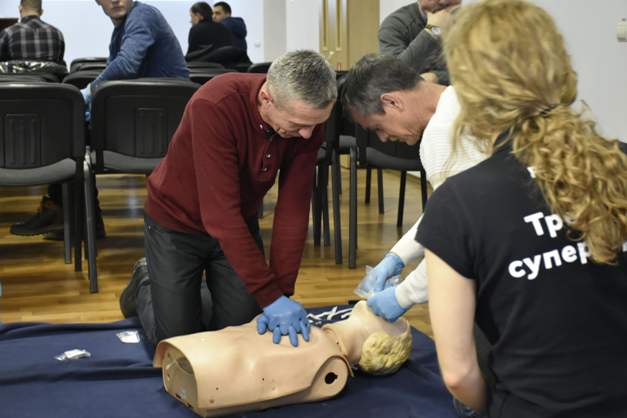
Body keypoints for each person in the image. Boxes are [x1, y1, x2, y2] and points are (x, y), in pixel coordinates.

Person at [416, 1, 627, 417]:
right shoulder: (619, 162)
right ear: (557, 64)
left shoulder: (458, 203)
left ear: (469, 88)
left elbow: (458, 373)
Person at [119, 50, 336, 349]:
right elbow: (219, 215)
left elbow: (293, 209)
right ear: (266, 99)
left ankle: (188, 292)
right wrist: (268, 295)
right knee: (182, 343)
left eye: (315, 124)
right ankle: (145, 280)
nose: (308, 133)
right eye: (298, 124)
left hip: (237, 223)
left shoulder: (307, 119)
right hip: (176, 223)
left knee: (244, 335)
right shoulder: (215, 104)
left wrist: (282, 292)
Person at [10, 0, 189, 239]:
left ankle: (74, 218)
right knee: (71, 128)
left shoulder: (142, 15)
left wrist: (90, 91)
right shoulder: (123, 28)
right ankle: (76, 217)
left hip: (159, 124)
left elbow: (127, 64)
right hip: (146, 119)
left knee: (69, 132)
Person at [341, 54, 487, 323]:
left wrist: (404, 295)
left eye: (377, 127)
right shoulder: (462, 97)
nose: (384, 137)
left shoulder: (441, 134)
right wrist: (398, 256)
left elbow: (458, 235)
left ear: (392, 101)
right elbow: (446, 213)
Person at [154, 300, 412, 417]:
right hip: (197, 354)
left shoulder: (333, 367)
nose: (374, 306)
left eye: (388, 320)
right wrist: (275, 297)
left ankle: (148, 283)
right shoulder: (322, 344)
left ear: (377, 344)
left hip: (207, 373)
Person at [379, 0, 460, 84]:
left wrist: (437, 77)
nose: (443, 1)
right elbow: (393, 76)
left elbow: (472, 72)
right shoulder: (395, 25)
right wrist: (432, 31)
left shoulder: (469, 19)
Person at [0, 0, 65, 65]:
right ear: (41, 12)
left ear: (20, 8)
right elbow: (60, 66)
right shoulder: (57, 34)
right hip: (48, 75)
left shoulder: (8, 33)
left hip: (19, 75)